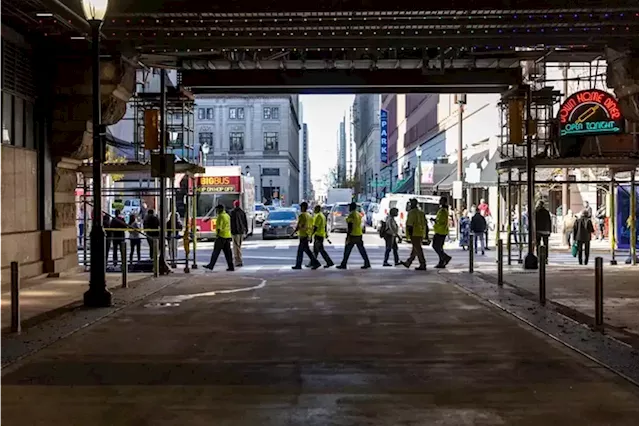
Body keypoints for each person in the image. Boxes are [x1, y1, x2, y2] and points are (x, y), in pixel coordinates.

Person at [336, 202, 371, 269]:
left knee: (347, 250)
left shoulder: (351, 215)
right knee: (361, 250)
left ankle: (343, 264)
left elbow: (350, 225)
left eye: (349, 207)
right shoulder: (358, 214)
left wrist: (348, 236)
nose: (348, 208)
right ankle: (367, 262)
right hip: (359, 234)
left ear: (351, 207)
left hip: (353, 235)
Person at [204, 205, 234, 271]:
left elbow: (219, 227)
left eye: (217, 210)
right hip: (227, 236)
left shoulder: (220, 216)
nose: (216, 211)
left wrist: (217, 234)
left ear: (220, 209)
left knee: (216, 252)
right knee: (228, 253)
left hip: (221, 236)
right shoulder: (227, 215)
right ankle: (231, 266)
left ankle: (211, 265)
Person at [292, 202, 321, 270]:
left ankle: (298, 265)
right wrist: (310, 235)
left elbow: (299, 225)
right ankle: (316, 262)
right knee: (307, 251)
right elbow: (311, 226)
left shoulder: (302, 215)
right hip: (307, 235)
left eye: (301, 207)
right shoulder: (309, 215)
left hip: (303, 235)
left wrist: (293, 232)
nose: (300, 209)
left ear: (303, 207)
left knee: (300, 251)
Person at [401, 198, 428, 270]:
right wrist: (426, 235)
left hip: (414, 233)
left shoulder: (411, 213)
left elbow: (410, 225)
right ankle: (408, 262)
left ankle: (423, 263)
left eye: (410, 203)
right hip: (421, 233)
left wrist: (410, 235)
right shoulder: (421, 212)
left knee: (418, 249)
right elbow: (425, 224)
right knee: (415, 249)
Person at [432, 196, 452, 269]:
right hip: (441, 231)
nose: (439, 201)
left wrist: (435, 221)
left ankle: (445, 257)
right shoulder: (442, 210)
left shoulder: (443, 210)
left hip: (440, 231)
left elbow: (441, 221)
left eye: (441, 200)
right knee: (439, 247)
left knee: (435, 246)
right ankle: (441, 261)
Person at [230, 200, 248, 267]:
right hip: (241, 232)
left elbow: (231, 223)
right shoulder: (242, 212)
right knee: (239, 246)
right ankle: (239, 260)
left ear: (234, 205)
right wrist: (246, 230)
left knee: (236, 247)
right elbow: (245, 222)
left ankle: (238, 261)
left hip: (235, 232)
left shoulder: (232, 212)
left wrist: (231, 231)